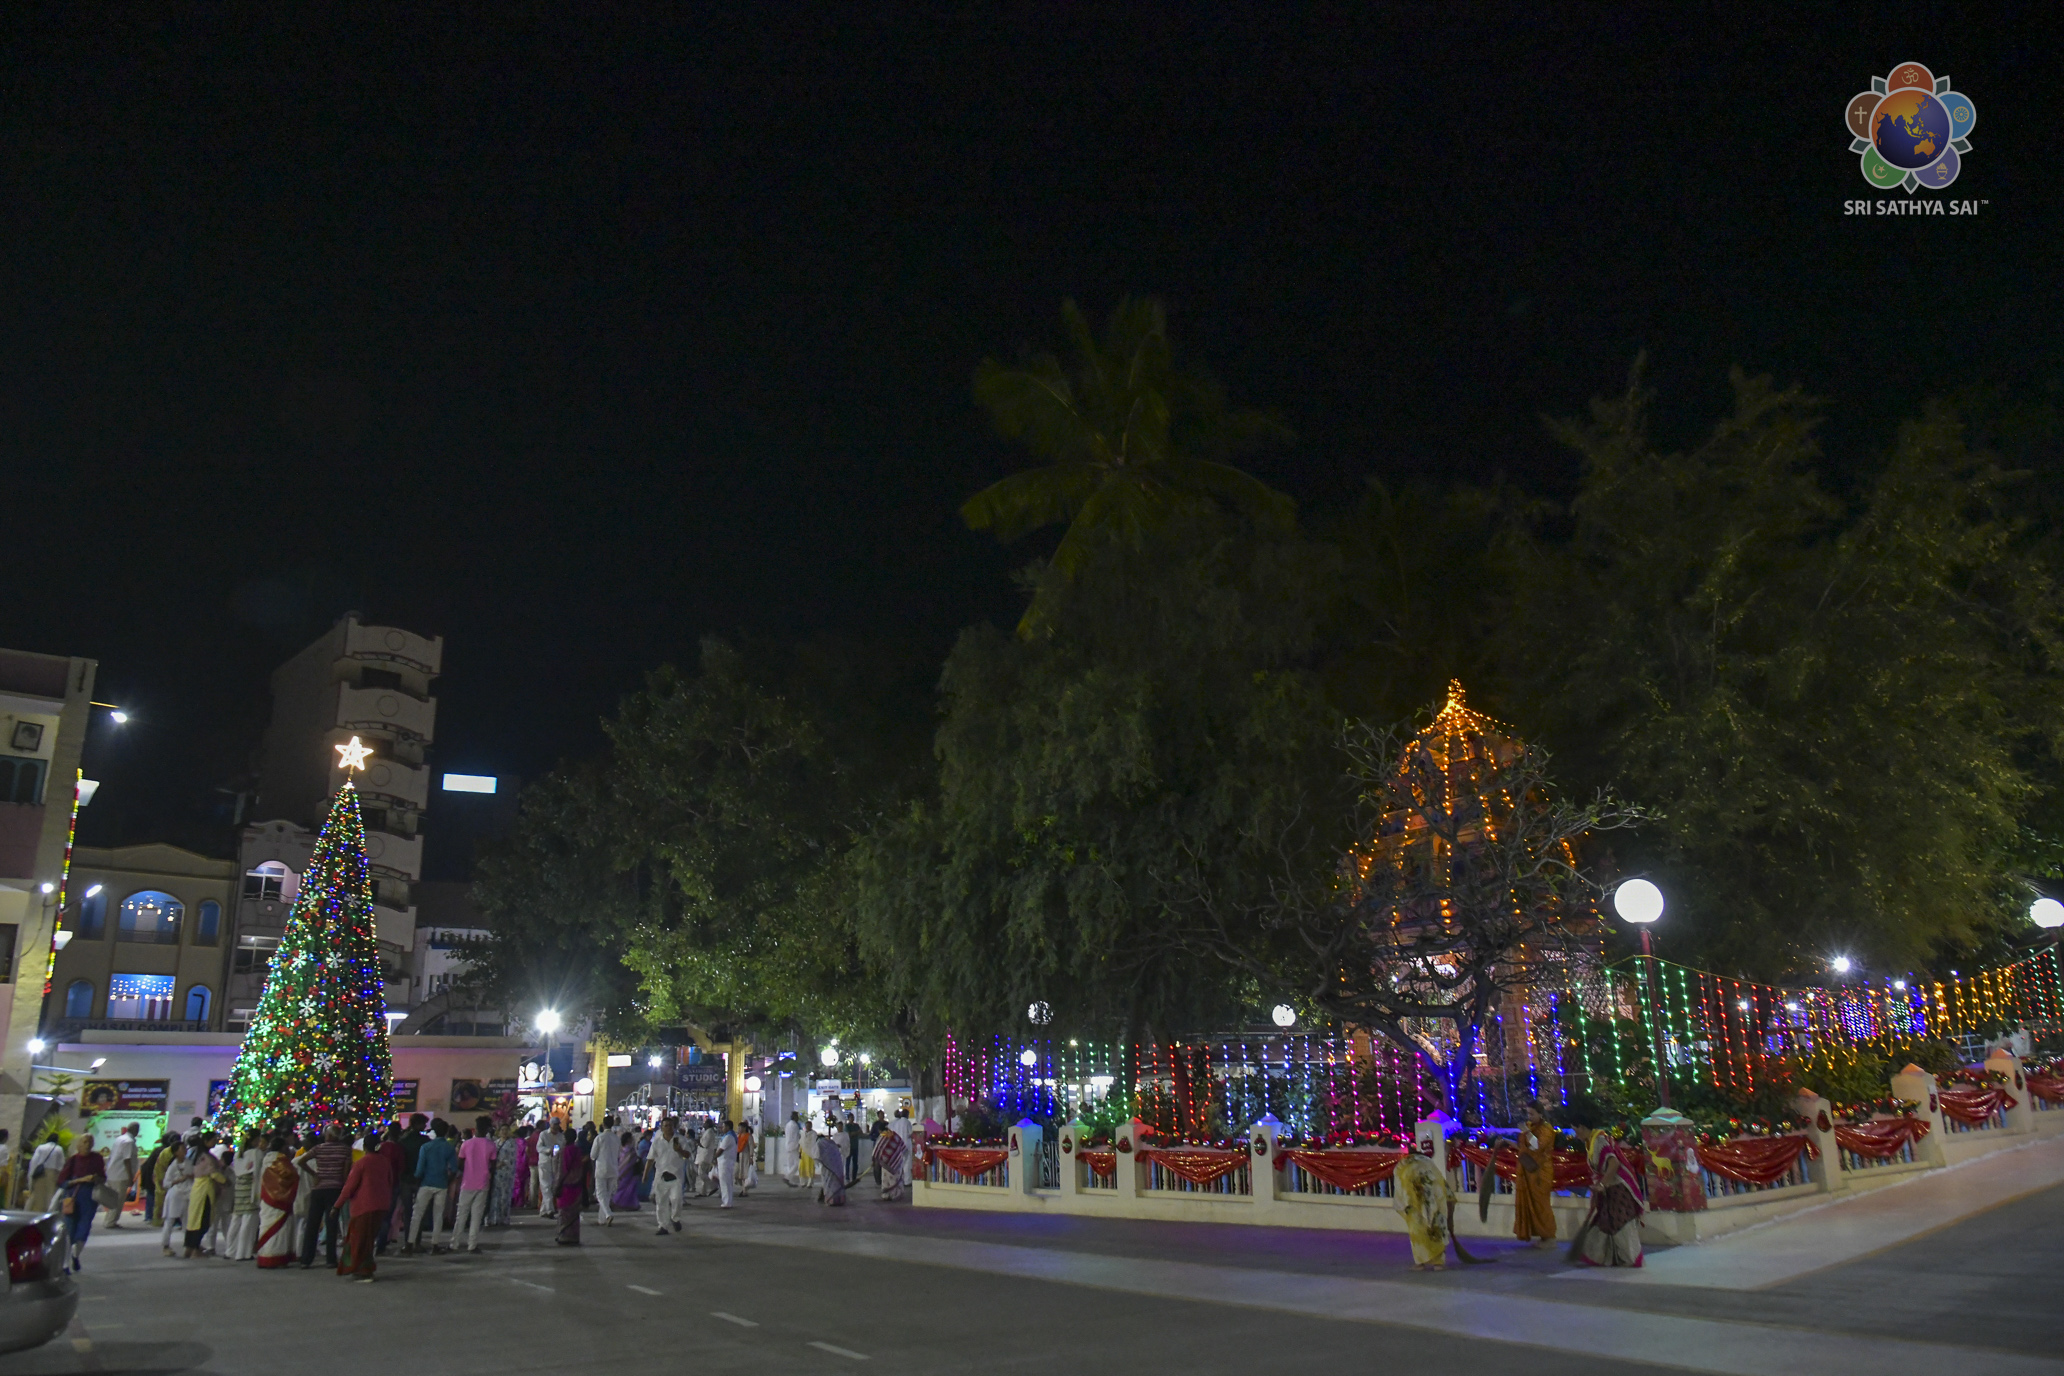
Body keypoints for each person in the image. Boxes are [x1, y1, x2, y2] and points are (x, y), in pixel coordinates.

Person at [1576, 1128, 1646, 1268]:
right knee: (1605, 1222)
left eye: (1575, 1130)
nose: (1575, 1134)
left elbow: (1614, 1164)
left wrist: (1602, 1184)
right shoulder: (1591, 1142)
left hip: (1619, 1188)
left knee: (1621, 1223)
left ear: (1582, 1126)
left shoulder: (1599, 1141)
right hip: (1609, 1189)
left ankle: (1631, 1258)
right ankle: (1604, 1257)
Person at [335, 1131, 397, 1281]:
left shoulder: (361, 1163)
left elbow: (349, 1187)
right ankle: (365, 1267)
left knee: (359, 1240)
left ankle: (363, 1270)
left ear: (364, 1146)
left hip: (363, 1206)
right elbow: (390, 1182)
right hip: (381, 1205)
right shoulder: (384, 1161)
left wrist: (337, 1206)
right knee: (369, 1239)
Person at [1392, 1148, 1455, 1270]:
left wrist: (1404, 1202)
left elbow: (1400, 1185)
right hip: (1434, 1201)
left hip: (1413, 1204)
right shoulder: (1428, 1163)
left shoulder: (1403, 1166)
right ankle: (1438, 1263)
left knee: (1418, 1233)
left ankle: (1420, 1262)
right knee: (1436, 1228)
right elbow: (1439, 1181)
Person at [300, 1125, 352, 1269]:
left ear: (327, 1135)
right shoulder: (346, 1150)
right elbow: (345, 1173)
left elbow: (301, 1161)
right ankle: (331, 1259)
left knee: (312, 1224)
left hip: (319, 1189)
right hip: (335, 1190)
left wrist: (314, 1174)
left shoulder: (319, 1148)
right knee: (332, 1225)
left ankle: (306, 1259)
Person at [1511, 1100, 1558, 1247]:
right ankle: (1543, 1237)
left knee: (1542, 1205)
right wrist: (1506, 1141)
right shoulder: (1531, 1127)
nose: (1529, 1116)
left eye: (1532, 1113)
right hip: (1529, 1171)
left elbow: (1537, 1146)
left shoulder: (1546, 1129)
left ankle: (1549, 1237)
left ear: (1540, 1113)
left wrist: (1526, 1131)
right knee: (1534, 1205)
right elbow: (1523, 1147)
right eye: (1528, 1113)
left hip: (1540, 1172)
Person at [55, 1135, 106, 1272]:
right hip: (73, 1198)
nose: (87, 1144)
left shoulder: (97, 1159)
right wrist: (80, 1180)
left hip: (89, 1200)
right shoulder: (73, 1160)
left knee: (83, 1230)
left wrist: (96, 1179)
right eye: (84, 1142)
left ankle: (75, 1256)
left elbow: (103, 1178)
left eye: (90, 1142)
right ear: (78, 1145)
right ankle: (65, 1264)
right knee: (69, 1231)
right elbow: (62, 1182)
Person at [408, 1120, 460, 1254]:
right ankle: (435, 1245)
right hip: (441, 1184)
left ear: (434, 1131)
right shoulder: (449, 1147)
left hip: (426, 1183)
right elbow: (454, 1168)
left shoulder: (426, 1147)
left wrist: (416, 1181)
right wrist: (447, 1181)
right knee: (438, 1215)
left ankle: (409, 1244)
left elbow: (419, 1169)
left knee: (417, 1214)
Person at [255, 1134, 300, 1268]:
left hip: (266, 1198)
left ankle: (265, 1256)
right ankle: (275, 1258)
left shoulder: (266, 1159)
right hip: (279, 1200)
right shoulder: (280, 1160)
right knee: (279, 1228)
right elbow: (290, 1175)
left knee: (267, 1226)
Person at [456, 1117, 497, 1253]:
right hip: (483, 1183)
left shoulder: (466, 1144)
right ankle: (472, 1245)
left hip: (467, 1183)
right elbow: (493, 1165)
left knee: (461, 1214)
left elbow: (460, 1163)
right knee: (476, 1215)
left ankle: (454, 1243)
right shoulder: (491, 1145)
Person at [184, 1134, 228, 1259]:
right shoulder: (207, 1157)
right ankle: (195, 1249)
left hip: (197, 1189)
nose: (215, 1142)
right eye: (213, 1140)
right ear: (205, 1141)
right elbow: (214, 1174)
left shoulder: (198, 1155)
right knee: (202, 1219)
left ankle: (190, 1247)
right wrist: (225, 1181)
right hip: (205, 1190)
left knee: (193, 1220)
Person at [224, 1132, 263, 1260]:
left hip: (239, 1189)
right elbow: (258, 1172)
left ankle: (230, 1250)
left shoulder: (238, 1154)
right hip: (251, 1189)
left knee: (236, 1221)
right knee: (248, 1223)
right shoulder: (256, 1153)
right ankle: (243, 1252)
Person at [158, 1137, 195, 1257]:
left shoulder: (189, 1162)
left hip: (187, 1194)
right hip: (175, 1195)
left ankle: (189, 1246)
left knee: (187, 1221)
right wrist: (180, 1179)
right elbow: (166, 1183)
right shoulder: (173, 1166)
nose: (184, 1150)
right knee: (170, 1221)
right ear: (176, 1152)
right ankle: (165, 1245)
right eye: (182, 1149)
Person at [553, 1132, 590, 1246]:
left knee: (564, 1211)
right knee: (574, 1212)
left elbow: (562, 1170)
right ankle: (573, 1236)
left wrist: (557, 1185)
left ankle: (564, 1235)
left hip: (566, 1185)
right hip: (577, 1184)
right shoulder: (577, 1150)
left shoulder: (565, 1151)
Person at [649, 1117, 684, 1233]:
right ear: (662, 1128)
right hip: (661, 1175)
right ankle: (663, 1226)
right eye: (666, 1126)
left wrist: (680, 1150)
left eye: (670, 1125)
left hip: (676, 1175)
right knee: (661, 1202)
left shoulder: (680, 1140)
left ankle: (675, 1218)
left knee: (676, 1199)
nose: (669, 1128)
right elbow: (650, 1159)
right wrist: (645, 1174)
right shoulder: (657, 1142)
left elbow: (688, 1156)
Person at [104, 1123, 140, 1228]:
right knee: (118, 1200)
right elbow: (127, 1160)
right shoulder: (128, 1142)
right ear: (136, 1130)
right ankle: (111, 1222)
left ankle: (108, 1220)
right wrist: (130, 1177)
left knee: (112, 1200)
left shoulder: (119, 1139)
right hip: (121, 1175)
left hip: (112, 1173)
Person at [489, 1125, 520, 1228]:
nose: (504, 1132)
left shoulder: (512, 1143)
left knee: (504, 1196)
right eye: (502, 1130)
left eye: (506, 1130)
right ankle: (494, 1218)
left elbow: (512, 1157)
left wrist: (502, 1164)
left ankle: (504, 1218)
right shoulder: (496, 1142)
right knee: (495, 1196)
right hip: (496, 1173)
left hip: (506, 1173)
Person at [25, 1134, 65, 1212]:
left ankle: (35, 1211)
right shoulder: (59, 1149)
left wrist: (31, 1176)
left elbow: (34, 1162)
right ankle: (47, 1212)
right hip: (53, 1174)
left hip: (40, 1173)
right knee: (50, 1195)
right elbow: (61, 1164)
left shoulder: (41, 1147)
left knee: (37, 1194)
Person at [592, 1118, 620, 1225]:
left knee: (600, 1194)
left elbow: (593, 1155)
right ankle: (602, 1219)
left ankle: (608, 1214)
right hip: (613, 1168)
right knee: (607, 1194)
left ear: (603, 1125)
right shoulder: (616, 1138)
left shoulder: (599, 1138)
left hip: (601, 1168)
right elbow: (618, 1154)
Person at [536, 1118, 564, 1219]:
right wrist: (548, 1150)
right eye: (554, 1124)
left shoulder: (561, 1136)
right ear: (551, 1124)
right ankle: (550, 1209)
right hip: (545, 1163)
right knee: (545, 1186)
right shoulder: (543, 1135)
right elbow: (538, 1148)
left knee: (551, 1187)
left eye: (557, 1124)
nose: (556, 1127)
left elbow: (562, 1148)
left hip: (555, 1164)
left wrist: (557, 1152)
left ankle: (544, 1211)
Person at [609, 1131, 641, 1218]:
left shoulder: (621, 1149)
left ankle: (618, 1203)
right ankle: (626, 1204)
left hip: (620, 1171)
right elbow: (630, 1163)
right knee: (628, 1189)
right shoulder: (631, 1151)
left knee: (621, 1188)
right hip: (628, 1172)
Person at [872, 1121, 907, 1200]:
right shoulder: (895, 1135)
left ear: (880, 1130)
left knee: (887, 1180)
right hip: (897, 1161)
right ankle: (897, 1194)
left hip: (886, 1163)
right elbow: (902, 1146)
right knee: (896, 1178)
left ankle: (887, 1195)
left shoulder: (882, 1137)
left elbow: (877, 1150)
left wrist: (875, 1158)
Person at [814, 1126, 846, 1206]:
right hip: (837, 1167)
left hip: (828, 1168)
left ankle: (830, 1200)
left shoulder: (820, 1144)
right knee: (835, 1183)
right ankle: (839, 1200)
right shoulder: (831, 1144)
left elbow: (816, 1156)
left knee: (828, 1182)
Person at [716, 1119, 738, 1208]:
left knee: (725, 1182)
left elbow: (721, 1149)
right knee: (727, 1182)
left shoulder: (728, 1137)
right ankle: (727, 1201)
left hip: (725, 1162)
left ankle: (726, 1202)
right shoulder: (730, 1136)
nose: (722, 1128)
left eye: (723, 1126)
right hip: (726, 1161)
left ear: (728, 1127)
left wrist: (714, 1157)